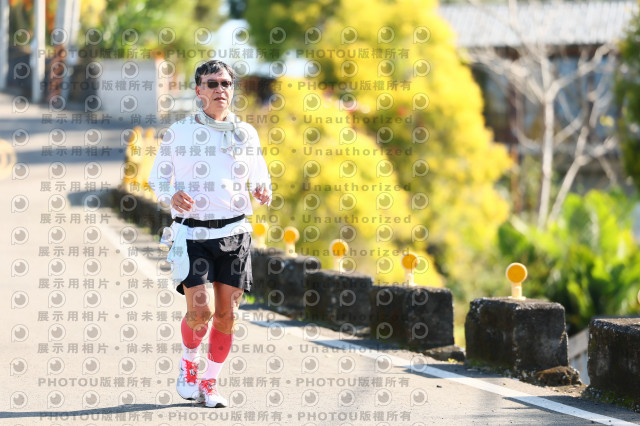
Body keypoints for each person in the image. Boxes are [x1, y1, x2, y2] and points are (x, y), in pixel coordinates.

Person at [148, 59, 272, 408]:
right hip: (193, 235)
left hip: (235, 233)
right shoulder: (180, 132)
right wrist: (170, 195)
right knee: (200, 311)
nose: (220, 90)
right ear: (198, 90)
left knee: (227, 315)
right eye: (212, 84)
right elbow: (157, 178)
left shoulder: (245, 133)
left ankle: (209, 381)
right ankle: (189, 364)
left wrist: (263, 190)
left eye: (226, 84)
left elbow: (261, 177)